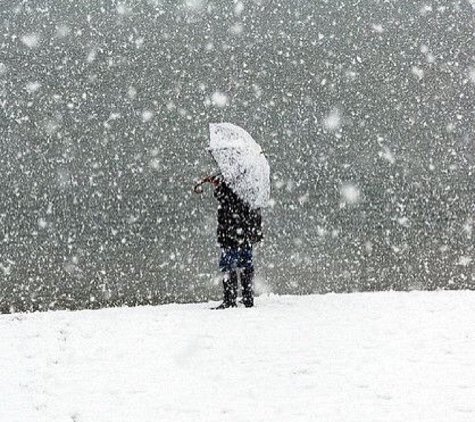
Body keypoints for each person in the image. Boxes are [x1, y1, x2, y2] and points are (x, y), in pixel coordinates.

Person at [197, 174, 263, 309]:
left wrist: (218, 186)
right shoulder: (251, 183)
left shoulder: (232, 184)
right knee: (246, 265)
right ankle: (247, 298)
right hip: (246, 233)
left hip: (231, 234)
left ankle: (230, 299)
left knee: (228, 266)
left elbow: (226, 200)